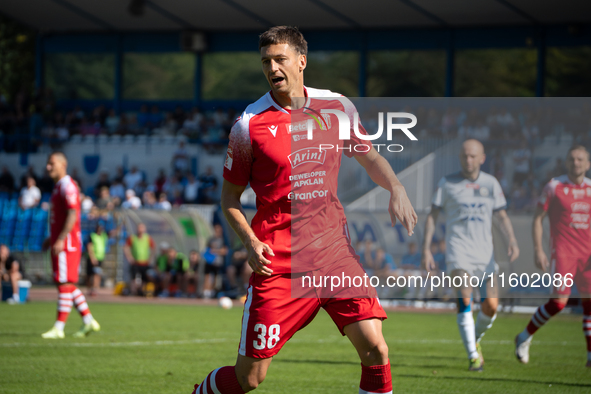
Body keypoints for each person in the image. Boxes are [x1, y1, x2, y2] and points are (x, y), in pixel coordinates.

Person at [191, 26, 417, 394]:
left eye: (280, 59)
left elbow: (369, 155)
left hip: (333, 255)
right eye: (266, 61)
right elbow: (229, 199)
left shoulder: (337, 107)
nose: (272, 68)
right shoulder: (248, 126)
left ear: (301, 61)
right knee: (250, 378)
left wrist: (397, 187)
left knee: (376, 348)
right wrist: (249, 242)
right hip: (279, 264)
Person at [421, 139, 519, 371]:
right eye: (465, 155)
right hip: (458, 251)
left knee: (491, 307)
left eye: (473, 156)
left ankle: (473, 340)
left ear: (482, 158)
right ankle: (474, 357)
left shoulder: (491, 184)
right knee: (464, 299)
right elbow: (433, 216)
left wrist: (512, 239)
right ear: (460, 157)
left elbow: (502, 216)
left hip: (485, 255)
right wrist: (426, 248)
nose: (468, 160)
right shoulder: (447, 183)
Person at [515, 145, 591, 367]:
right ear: (566, 162)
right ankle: (524, 336)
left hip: (588, 256)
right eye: (571, 159)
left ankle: (589, 356)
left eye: (580, 159)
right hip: (564, 252)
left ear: (587, 164)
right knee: (558, 303)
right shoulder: (554, 187)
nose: (575, 163)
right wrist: (539, 249)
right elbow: (538, 218)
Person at [41, 152, 100, 339]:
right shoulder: (59, 186)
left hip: (68, 243)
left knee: (65, 283)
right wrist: (52, 238)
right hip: (62, 240)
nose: (48, 167)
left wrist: (59, 239)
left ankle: (59, 328)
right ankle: (89, 321)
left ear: (63, 164)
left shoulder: (68, 185)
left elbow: (73, 214)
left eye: (52, 164)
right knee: (66, 284)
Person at [123, 223, 155, 296]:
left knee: (144, 279)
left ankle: (141, 291)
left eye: (142, 228)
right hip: (135, 262)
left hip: (144, 263)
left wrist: (150, 258)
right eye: (139, 228)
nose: (140, 230)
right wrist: (129, 257)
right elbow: (126, 247)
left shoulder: (147, 238)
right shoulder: (133, 237)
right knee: (133, 278)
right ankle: (133, 292)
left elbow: (153, 248)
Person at [203, 224, 228, 299]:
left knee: (216, 277)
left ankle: (213, 292)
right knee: (207, 276)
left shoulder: (223, 240)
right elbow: (207, 249)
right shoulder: (211, 239)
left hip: (218, 262)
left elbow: (225, 251)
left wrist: (215, 251)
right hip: (209, 261)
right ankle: (206, 292)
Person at [86, 223, 108, 296]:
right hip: (92, 258)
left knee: (97, 273)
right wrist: (92, 257)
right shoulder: (92, 235)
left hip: (100, 258)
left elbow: (114, 232)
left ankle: (95, 289)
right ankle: (90, 289)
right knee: (89, 274)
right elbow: (89, 246)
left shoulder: (103, 236)